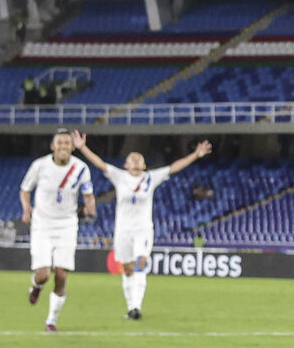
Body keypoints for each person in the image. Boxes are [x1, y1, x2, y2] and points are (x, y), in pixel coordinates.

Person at [70, 133, 212, 320]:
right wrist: (82, 147)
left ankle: (137, 307)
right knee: (128, 269)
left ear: (144, 165)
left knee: (140, 263)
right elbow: (99, 163)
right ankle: (131, 307)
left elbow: (173, 168)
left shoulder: (151, 178)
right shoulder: (119, 176)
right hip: (123, 230)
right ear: (126, 165)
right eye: (131, 158)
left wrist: (195, 155)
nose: (135, 158)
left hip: (143, 229)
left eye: (139, 157)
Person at [20, 130, 98, 332]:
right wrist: (26, 208)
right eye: (59, 142)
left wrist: (90, 207)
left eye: (67, 143)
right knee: (44, 274)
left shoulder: (81, 168)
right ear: (52, 146)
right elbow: (25, 189)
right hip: (42, 224)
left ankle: (51, 320)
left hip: (67, 225)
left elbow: (88, 194)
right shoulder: (40, 166)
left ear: (72, 147)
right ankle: (36, 286)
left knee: (62, 274)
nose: (63, 146)